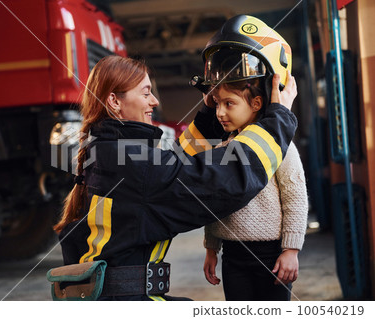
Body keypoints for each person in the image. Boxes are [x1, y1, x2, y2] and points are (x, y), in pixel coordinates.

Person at [52, 51, 297, 300]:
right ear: (114, 101)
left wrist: (210, 116)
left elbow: (174, 167)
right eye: (146, 92)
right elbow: (223, 181)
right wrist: (278, 119)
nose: (155, 101)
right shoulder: (129, 161)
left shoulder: (109, 150)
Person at [197, 15, 308, 301]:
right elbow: (217, 199)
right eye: (218, 103)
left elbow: (295, 197)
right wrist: (212, 247)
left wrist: (291, 250)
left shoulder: (279, 146)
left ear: (257, 103)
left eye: (229, 104)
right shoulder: (223, 145)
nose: (220, 113)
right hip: (233, 255)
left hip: (272, 255)